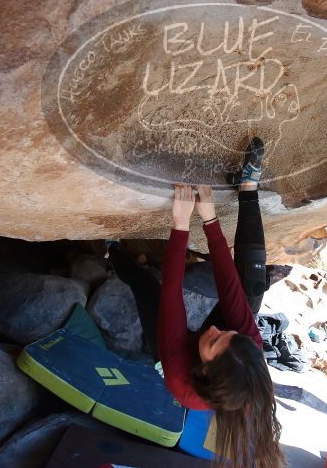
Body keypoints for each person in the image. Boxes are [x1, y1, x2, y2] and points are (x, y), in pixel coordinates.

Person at [106, 138, 283, 468]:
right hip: (228, 357)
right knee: (253, 285)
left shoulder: (182, 380)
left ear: (204, 367)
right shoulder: (248, 350)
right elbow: (230, 286)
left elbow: (172, 294)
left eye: (214, 338)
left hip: (176, 356)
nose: (214, 327)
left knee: (150, 290)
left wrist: (182, 222)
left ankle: (113, 252)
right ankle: (247, 187)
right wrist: (212, 221)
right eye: (226, 334)